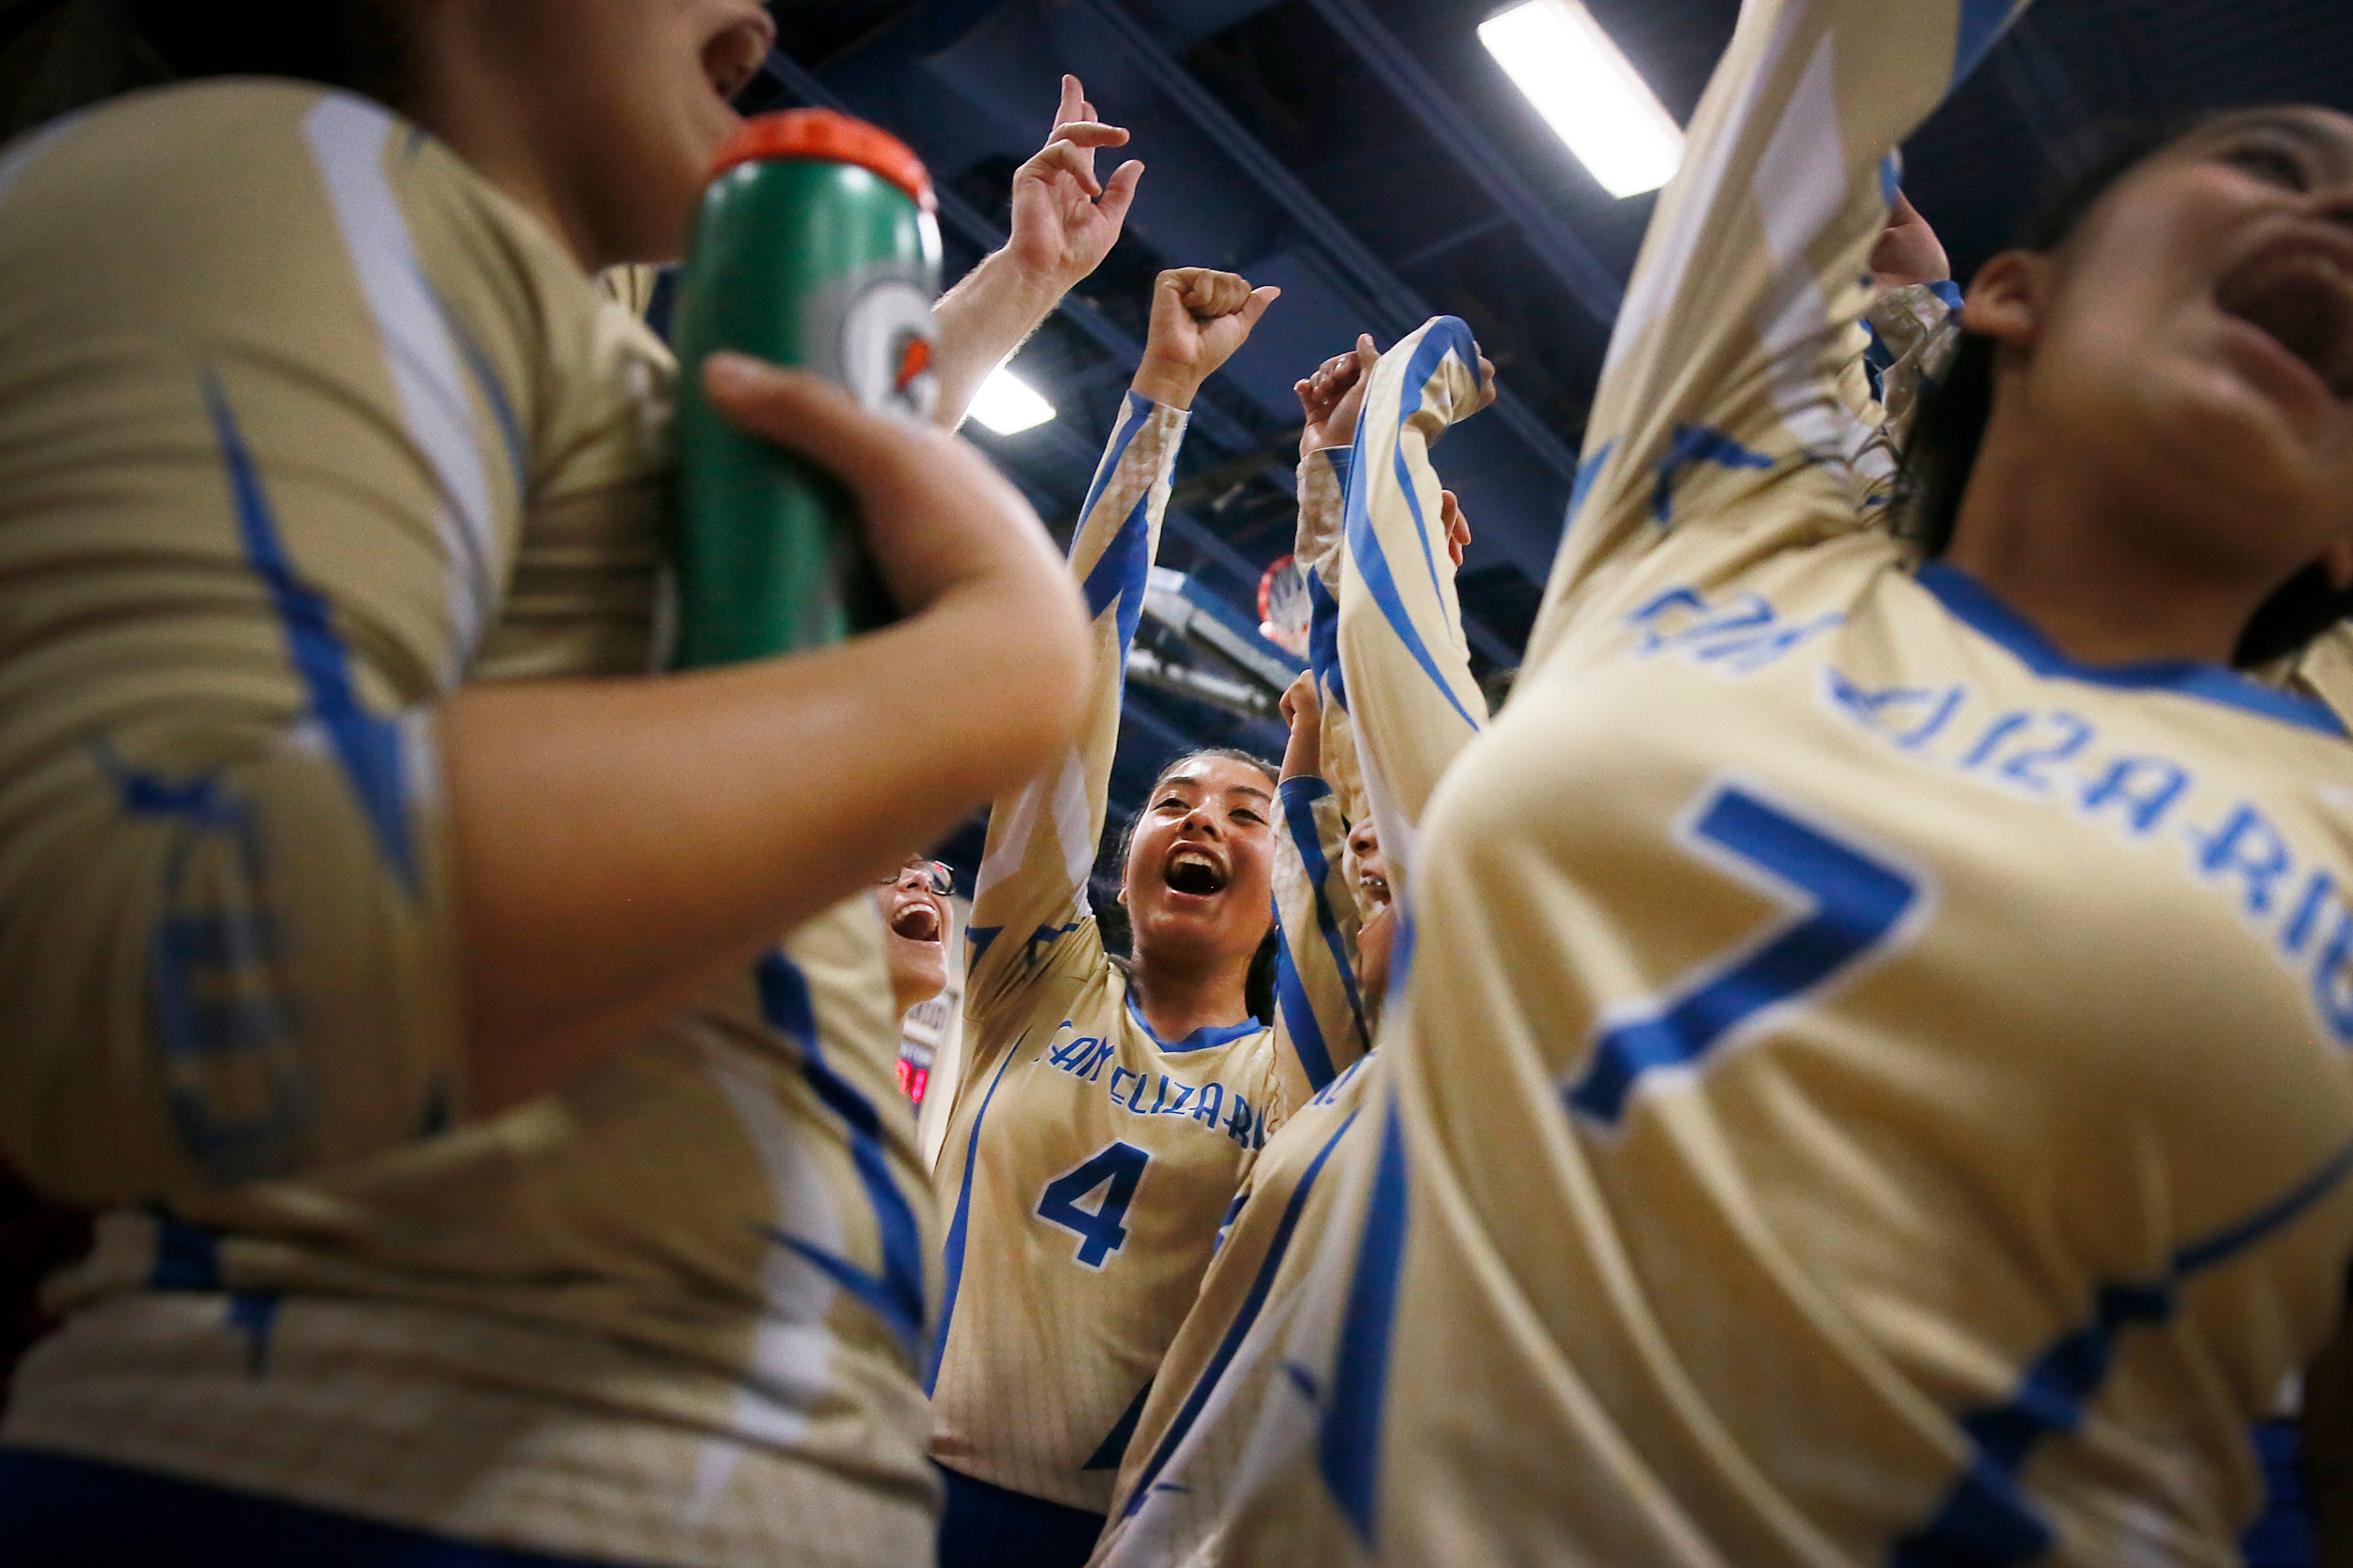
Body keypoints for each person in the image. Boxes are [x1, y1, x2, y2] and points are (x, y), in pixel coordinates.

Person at [1209, 1, 2353, 1561]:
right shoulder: (1732, 532)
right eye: (2269, 162)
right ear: (2015, 296)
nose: (2335, 216)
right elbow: (1827, 46)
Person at [0, 8, 1144, 1565]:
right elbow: (124, 966)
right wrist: (971, 688)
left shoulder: (498, 302)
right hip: (384, 1474)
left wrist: (1017, 287)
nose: (761, 17)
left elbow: (750, 518)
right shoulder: (296, 175)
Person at [1091, 317, 1499, 1567]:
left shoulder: (1467, 1081)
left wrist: (1398, 438)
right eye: (1174, 801)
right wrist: (1333, 478)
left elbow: (1384, 718)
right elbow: (1352, 747)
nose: (1372, 878)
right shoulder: (1332, 1077)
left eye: (1244, 811)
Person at [925, 263, 1286, 1568]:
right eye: (1174, 801)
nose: (1201, 821)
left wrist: (1360, 529)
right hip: (880, 1482)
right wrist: (1163, 395)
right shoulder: (1033, 973)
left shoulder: (1300, 1073)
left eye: (1248, 814)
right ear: (1121, 855)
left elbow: (1389, 847)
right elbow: (1076, 678)